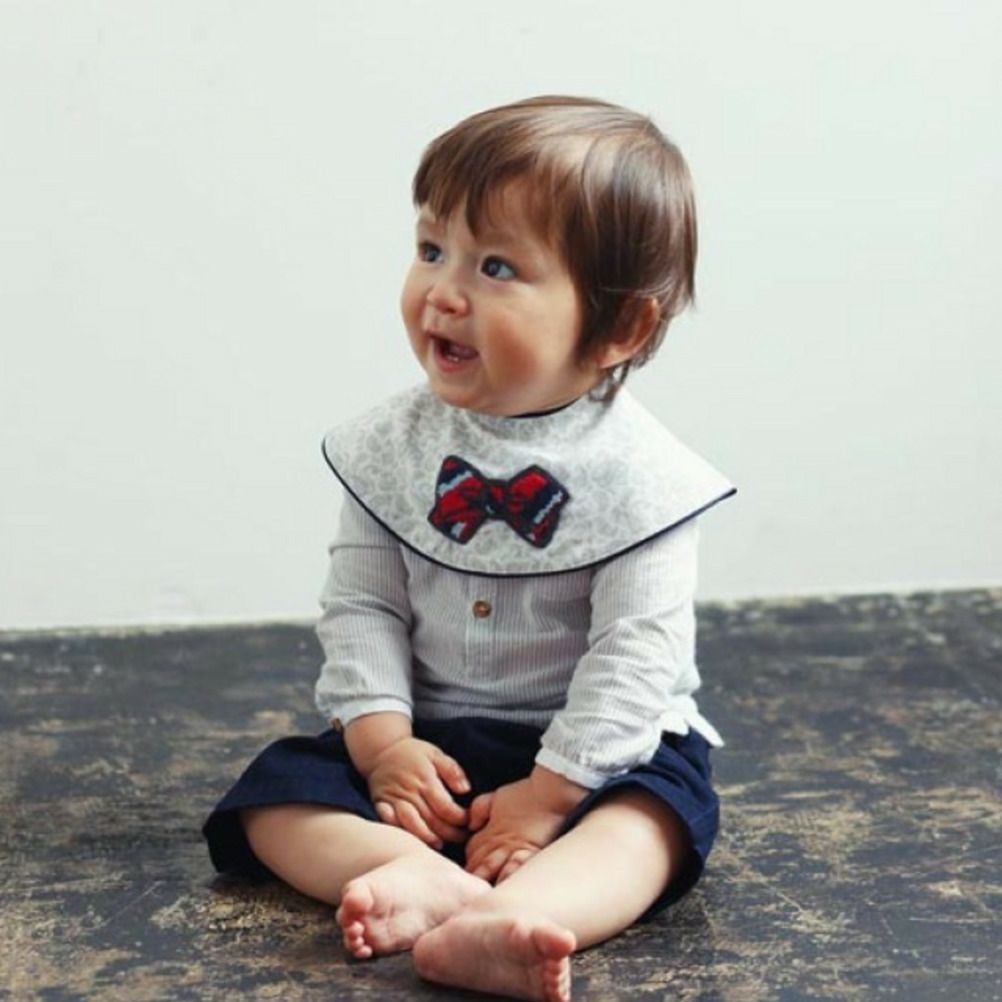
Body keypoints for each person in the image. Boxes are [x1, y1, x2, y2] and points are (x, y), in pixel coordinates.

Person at [203, 95, 735, 1002]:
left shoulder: (646, 479)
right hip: (427, 743)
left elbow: (636, 658)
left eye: (496, 266)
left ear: (620, 328)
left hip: (595, 749)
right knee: (275, 799)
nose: (443, 293)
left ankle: (519, 917)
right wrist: (383, 746)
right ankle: (414, 875)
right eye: (430, 249)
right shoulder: (387, 449)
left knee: (650, 823)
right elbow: (363, 603)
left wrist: (553, 793)